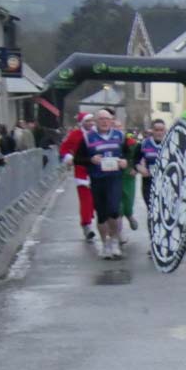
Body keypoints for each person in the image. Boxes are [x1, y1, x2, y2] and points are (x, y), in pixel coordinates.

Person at [74, 110, 131, 259]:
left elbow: (128, 154)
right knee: (102, 215)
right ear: (96, 122)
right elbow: (77, 158)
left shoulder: (120, 136)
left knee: (114, 210)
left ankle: (114, 241)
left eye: (107, 119)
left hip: (114, 178)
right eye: (101, 119)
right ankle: (105, 243)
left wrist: (125, 162)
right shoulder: (87, 138)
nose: (105, 122)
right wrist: (90, 160)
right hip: (97, 179)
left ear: (111, 121)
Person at [58, 113, 97, 241]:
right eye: (88, 121)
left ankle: (103, 224)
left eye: (92, 121)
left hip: (98, 171)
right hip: (81, 172)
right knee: (85, 200)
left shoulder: (97, 134)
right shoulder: (75, 134)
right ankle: (86, 225)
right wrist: (68, 157)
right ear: (82, 123)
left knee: (97, 200)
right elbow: (63, 149)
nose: (91, 123)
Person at [136, 117, 168, 211]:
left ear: (165, 131)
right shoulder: (143, 144)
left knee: (163, 210)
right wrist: (139, 168)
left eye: (161, 130)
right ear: (152, 131)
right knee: (152, 209)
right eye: (156, 130)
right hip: (149, 182)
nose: (159, 133)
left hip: (165, 183)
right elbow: (135, 160)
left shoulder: (170, 144)